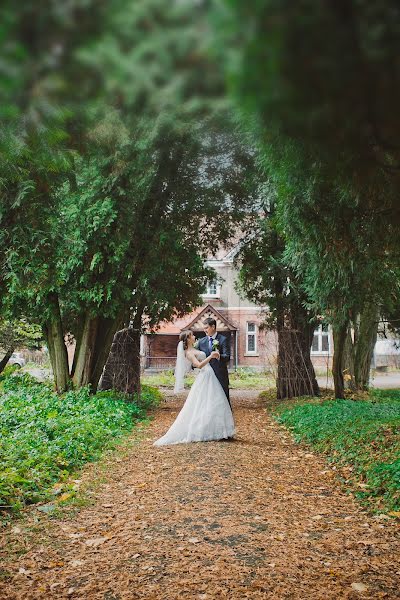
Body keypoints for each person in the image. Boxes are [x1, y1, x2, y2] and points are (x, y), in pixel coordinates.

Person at [154, 330, 235, 446]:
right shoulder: (188, 353)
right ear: (187, 339)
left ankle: (217, 430)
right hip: (204, 375)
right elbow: (198, 365)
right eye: (192, 335)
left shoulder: (195, 348)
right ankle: (200, 431)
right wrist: (211, 356)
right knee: (201, 403)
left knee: (214, 402)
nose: (194, 336)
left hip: (210, 375)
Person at [197, 317, 231, 409]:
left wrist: (219, 356)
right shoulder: (201, 342)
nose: (205, 330)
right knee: (207, 400)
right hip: (206, 376)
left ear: (213, 327)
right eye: (204, 328)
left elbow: (227, 356)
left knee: (224, 399)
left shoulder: (223, 339)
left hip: (220, 375)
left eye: (206, 328)